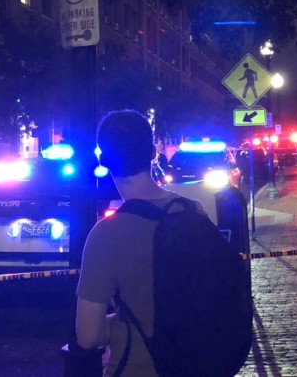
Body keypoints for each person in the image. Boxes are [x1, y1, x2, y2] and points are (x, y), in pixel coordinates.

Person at [75, 109, 204, 376]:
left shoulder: (106, 235)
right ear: (153, 153)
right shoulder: (193, 211)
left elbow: (88, 335)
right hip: (195, 363)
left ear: (106, 159)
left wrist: (118, 326)